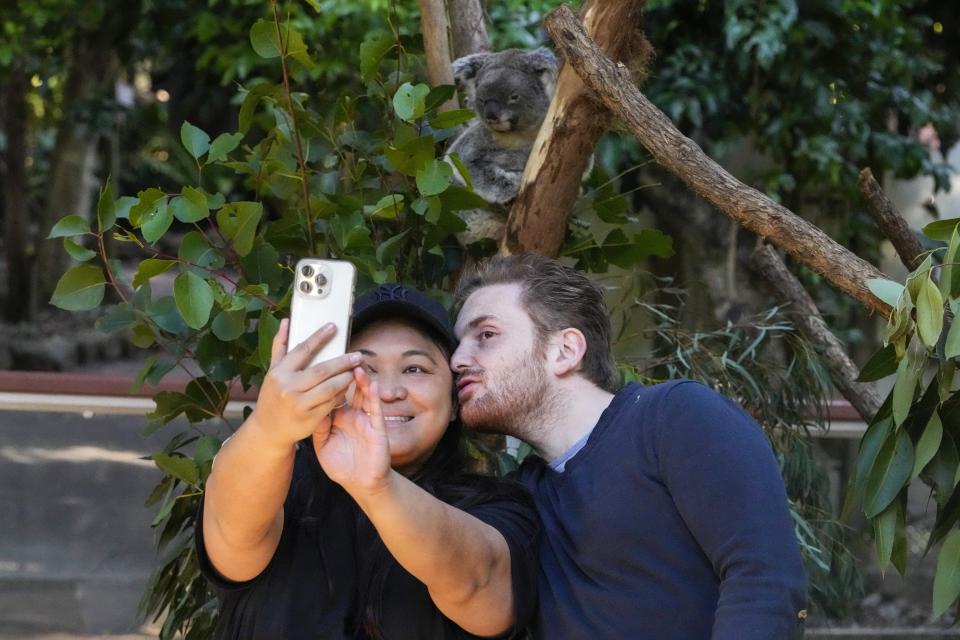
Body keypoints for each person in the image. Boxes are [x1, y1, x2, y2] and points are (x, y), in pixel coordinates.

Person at [451, 254, 808, 640]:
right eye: (458, 344)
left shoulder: (674, 417)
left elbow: (764, 580)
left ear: (565, 350)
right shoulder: (519, 499)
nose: (457, 359)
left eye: (486, 335)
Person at [196, 283, 539, 639]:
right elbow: (231, 538)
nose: (389, 391)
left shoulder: (498, 507)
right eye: (363, 368)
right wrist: (270, 429)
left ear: (453, 402)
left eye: (415, 369)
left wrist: (377, 487)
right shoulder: (279, 487)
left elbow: (480, 586)